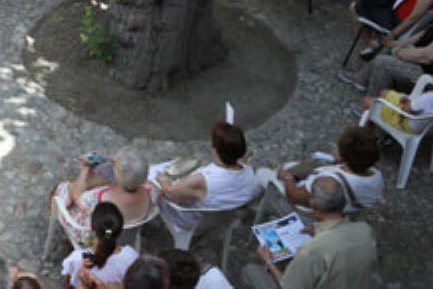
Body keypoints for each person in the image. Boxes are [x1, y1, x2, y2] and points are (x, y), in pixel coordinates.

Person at [241, 177, 376, 289]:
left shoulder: (311, 250)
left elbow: (288, 287)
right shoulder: (365, 230)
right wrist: (317, 229)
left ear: (313, 206)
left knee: (250, 270)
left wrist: (269, 262)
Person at [151, 122, 260, 232]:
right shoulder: (251, 173)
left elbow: (170, 194)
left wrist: (164, 181)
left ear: (215, 149)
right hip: (224, 217)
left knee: (152, 174)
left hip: (193, 222)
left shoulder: (202, 180)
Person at [256, 126, 384, 219]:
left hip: (306, 211)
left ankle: (261, 199)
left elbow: (294, 197)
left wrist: (288, 178)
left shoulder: (328, 184)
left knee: (261, 173)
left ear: (346, 156)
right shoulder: (376, 175)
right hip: (344, 210)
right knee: (291, 166)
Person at [50, 147, 156, 246]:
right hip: (126, 236)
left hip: (96, 238)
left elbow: (76, 195)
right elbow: (153, 186)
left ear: (117, 175)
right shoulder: (152, 192)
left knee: (63, 189)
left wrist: (85, 170)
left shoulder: (99, 197)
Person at [365, 57, 433, 132]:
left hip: (408, 123)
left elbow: (406, 110)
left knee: (368, 101)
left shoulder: (428, 98)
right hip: (427, 125)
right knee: (385, 93)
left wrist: (407, 102)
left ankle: (368, 132)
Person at [61, 202, 138, 289]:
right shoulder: (131, 257)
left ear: (92, 228)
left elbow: (68, 282)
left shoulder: (77, 258)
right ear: (120, 231)